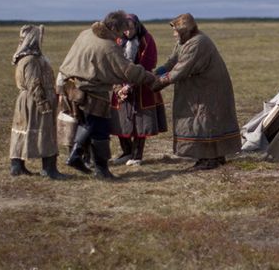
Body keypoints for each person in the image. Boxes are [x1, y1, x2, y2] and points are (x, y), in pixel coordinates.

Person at [58, 11, 159, 179]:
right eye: (120, 31)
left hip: (71, 86)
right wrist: (150, 78)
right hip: (91, 91)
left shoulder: (86, 33)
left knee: (88, 125)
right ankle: (100, 169)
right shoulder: (108, 46)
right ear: (113, 27)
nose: (121, 36)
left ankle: (77, 156)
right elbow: (128, 71)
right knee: (100, 131)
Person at [152, 13, 240, 170]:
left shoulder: (197, 42)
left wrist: (155, 83)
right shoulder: (183, 41)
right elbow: (172, 62)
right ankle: (214, 156)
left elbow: (180, 70)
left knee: (204, 120)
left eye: (176, 31)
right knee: (204, 119)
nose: (174, 34)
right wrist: (156, 72)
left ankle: (209, 159)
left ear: (184, 30)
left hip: (208, 88)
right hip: (199, 87)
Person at [9, 24, 67, 180]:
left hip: (29, 99)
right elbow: (34, 83)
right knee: (45, 131)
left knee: (24, 130)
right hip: (34, 100)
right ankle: (49, 169)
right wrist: (43, 103)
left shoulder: (29, 58)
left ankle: (17, 166)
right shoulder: (31, 60)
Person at [109, 14, 168, 166]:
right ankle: (126, 151)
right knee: (120, 119)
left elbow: (147, 64)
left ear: (137, 26)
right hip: (120, 86)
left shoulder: (147, 40)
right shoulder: (117, 41)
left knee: (141, 122)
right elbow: (113, 63)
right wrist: (119, 88)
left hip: (142, 86)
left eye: (130, 28)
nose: (127, 32)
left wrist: (131, 85)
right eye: (125, 29)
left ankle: (137, 155)